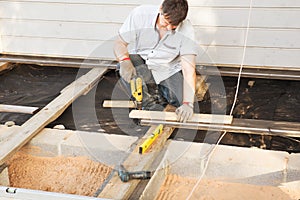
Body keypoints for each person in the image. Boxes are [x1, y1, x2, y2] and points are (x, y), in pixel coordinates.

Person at [113, 0, 198, 123]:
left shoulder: (187, 30)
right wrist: (124, 60)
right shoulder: (140, 15)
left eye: (174, 25)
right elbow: (119, 43)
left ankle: (158, 93)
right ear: (160, 9)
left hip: (168, 68)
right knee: (122, 67)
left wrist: (187, 103)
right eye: (166, 22)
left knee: (180, 100)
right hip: (143, 62)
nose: (169, 28)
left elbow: (188, 69)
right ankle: (148, 104)